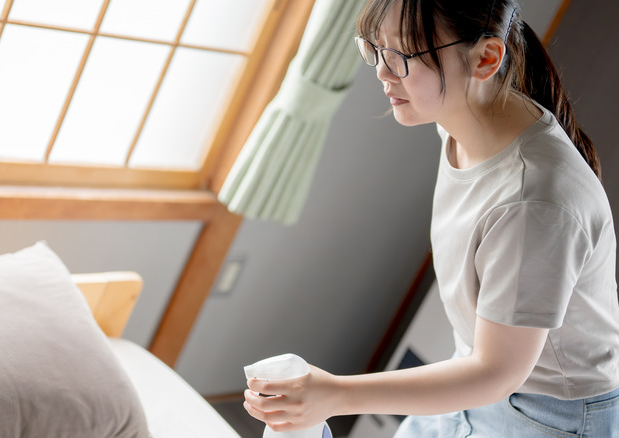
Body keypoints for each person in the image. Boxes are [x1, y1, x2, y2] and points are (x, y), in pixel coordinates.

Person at [243, 0, 619, 436]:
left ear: (486, 59)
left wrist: (337, 394)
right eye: (375, 48)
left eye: (402, 55)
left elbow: (497, 373)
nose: (383, 72)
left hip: (545, 415)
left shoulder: (533, 201)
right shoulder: (461, 122)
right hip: (475, 378)